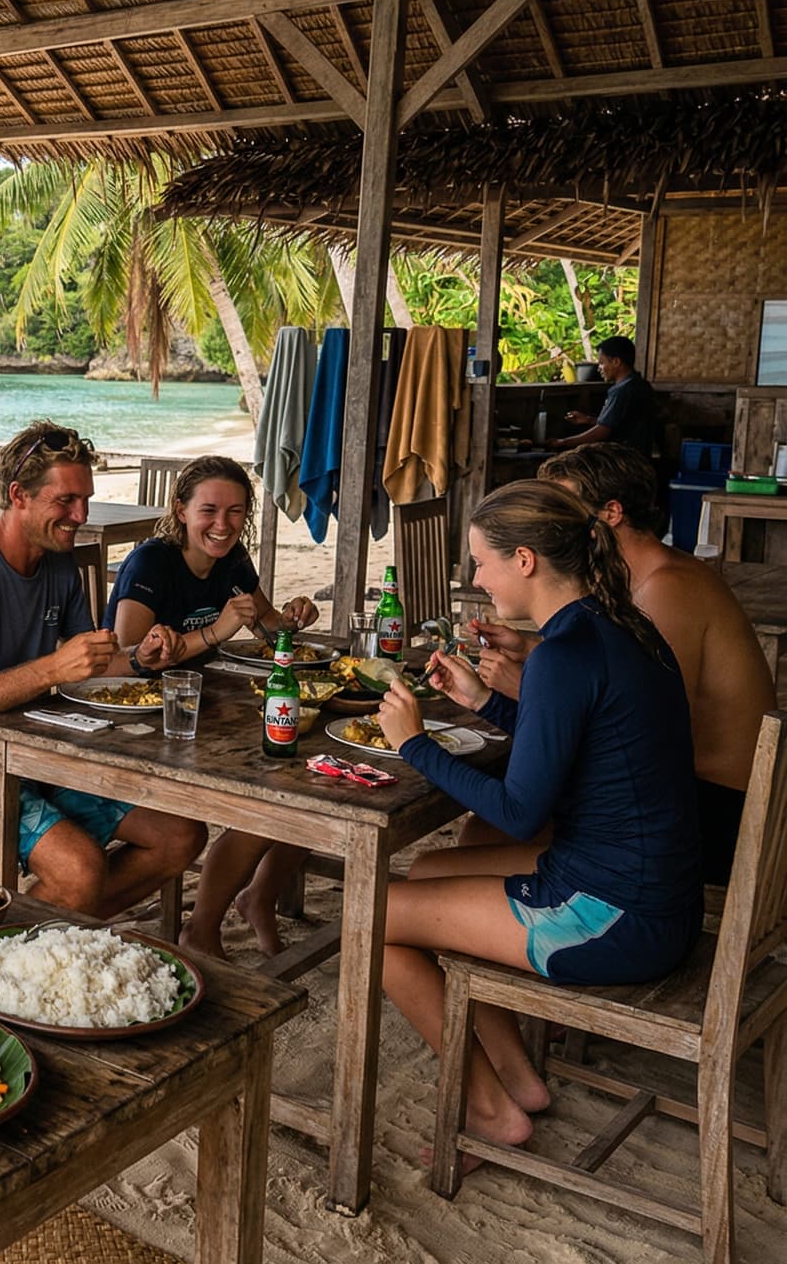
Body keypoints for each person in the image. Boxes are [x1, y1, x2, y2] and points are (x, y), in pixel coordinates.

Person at [374, 479, 702, 1163]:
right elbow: (576, 746)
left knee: (370, 917)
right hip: (653, 891)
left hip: (614, 913)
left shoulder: (561, 652)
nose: (476, 579)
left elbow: (520, 813)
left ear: (525, 559)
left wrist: (414, 744)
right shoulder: (620, 628)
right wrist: (487, 701)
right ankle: (519, 1077)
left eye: (482, 562)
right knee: (430, 870)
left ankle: (491, 1111)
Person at [0, 420, 206, 917]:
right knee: (80, 867)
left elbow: (89, 663)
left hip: (35, 749)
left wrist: (139, 659)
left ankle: (58, 925)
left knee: (180, 835)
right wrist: (51, 670)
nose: (80, 514)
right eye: (66, 501)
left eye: (85, 498)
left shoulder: (59, 560)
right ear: (18, 495)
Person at [463, 443, 772, 884]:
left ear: (610, 514)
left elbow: (642, 720)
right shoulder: (635, 579)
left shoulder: (664, 589)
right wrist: (532, 649)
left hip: (714, 813)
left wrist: (526, 686)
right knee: (484, 829)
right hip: (675, 793)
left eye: (563, 508)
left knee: (503, 824)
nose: (553, 523)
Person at [105, 455, 321, 956]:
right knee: (269, 795)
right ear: (181, 511)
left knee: (308, 777)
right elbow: (129, 654)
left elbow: (268, 630)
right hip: (143, 721)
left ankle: (260, 897)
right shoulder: (152, 562)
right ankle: (202, 926)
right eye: (209, 511)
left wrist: (292, 618)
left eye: (236, 512)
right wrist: (217, 631)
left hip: (208, 710)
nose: (222, 525)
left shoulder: (234, 560)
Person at [552, 336, 658, 458]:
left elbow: (603, 431)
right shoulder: (640, 384)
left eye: (602, 363)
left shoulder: (623, 390)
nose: (599, 368)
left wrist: (564, 442)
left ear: (616, 362)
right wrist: (588, 420)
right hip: (640, 455)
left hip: (623, 458)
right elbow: (621, 425)